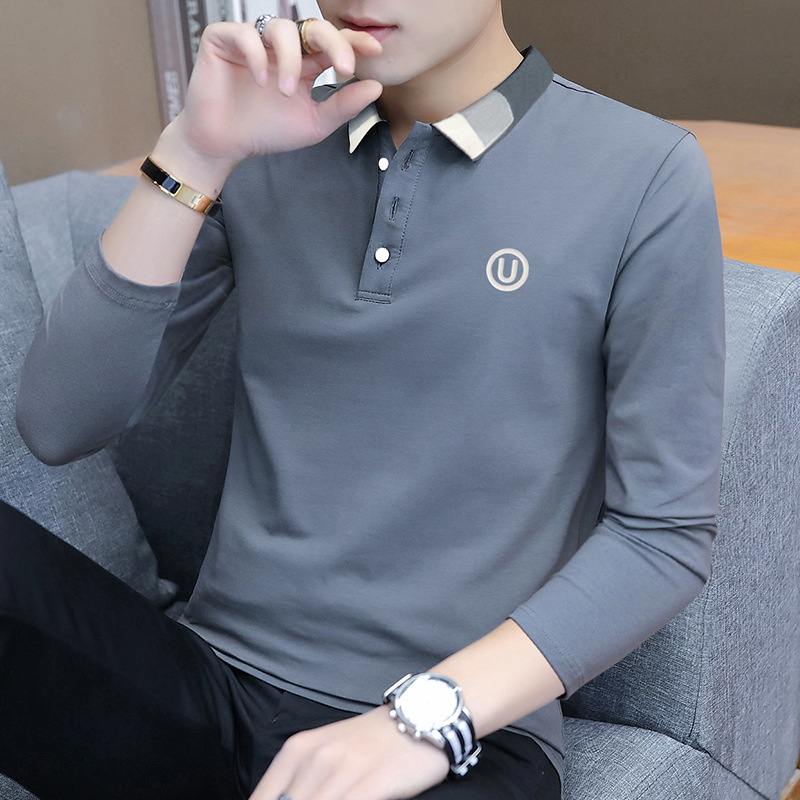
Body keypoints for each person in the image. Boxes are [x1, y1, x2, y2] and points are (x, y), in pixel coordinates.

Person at [3, 1, 725, 799]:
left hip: (461, 740)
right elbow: (59, 422)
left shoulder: (644, 172)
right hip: (207, 687)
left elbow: (662, 535)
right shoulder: (266, 136)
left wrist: (425, 718)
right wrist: (196, 153)